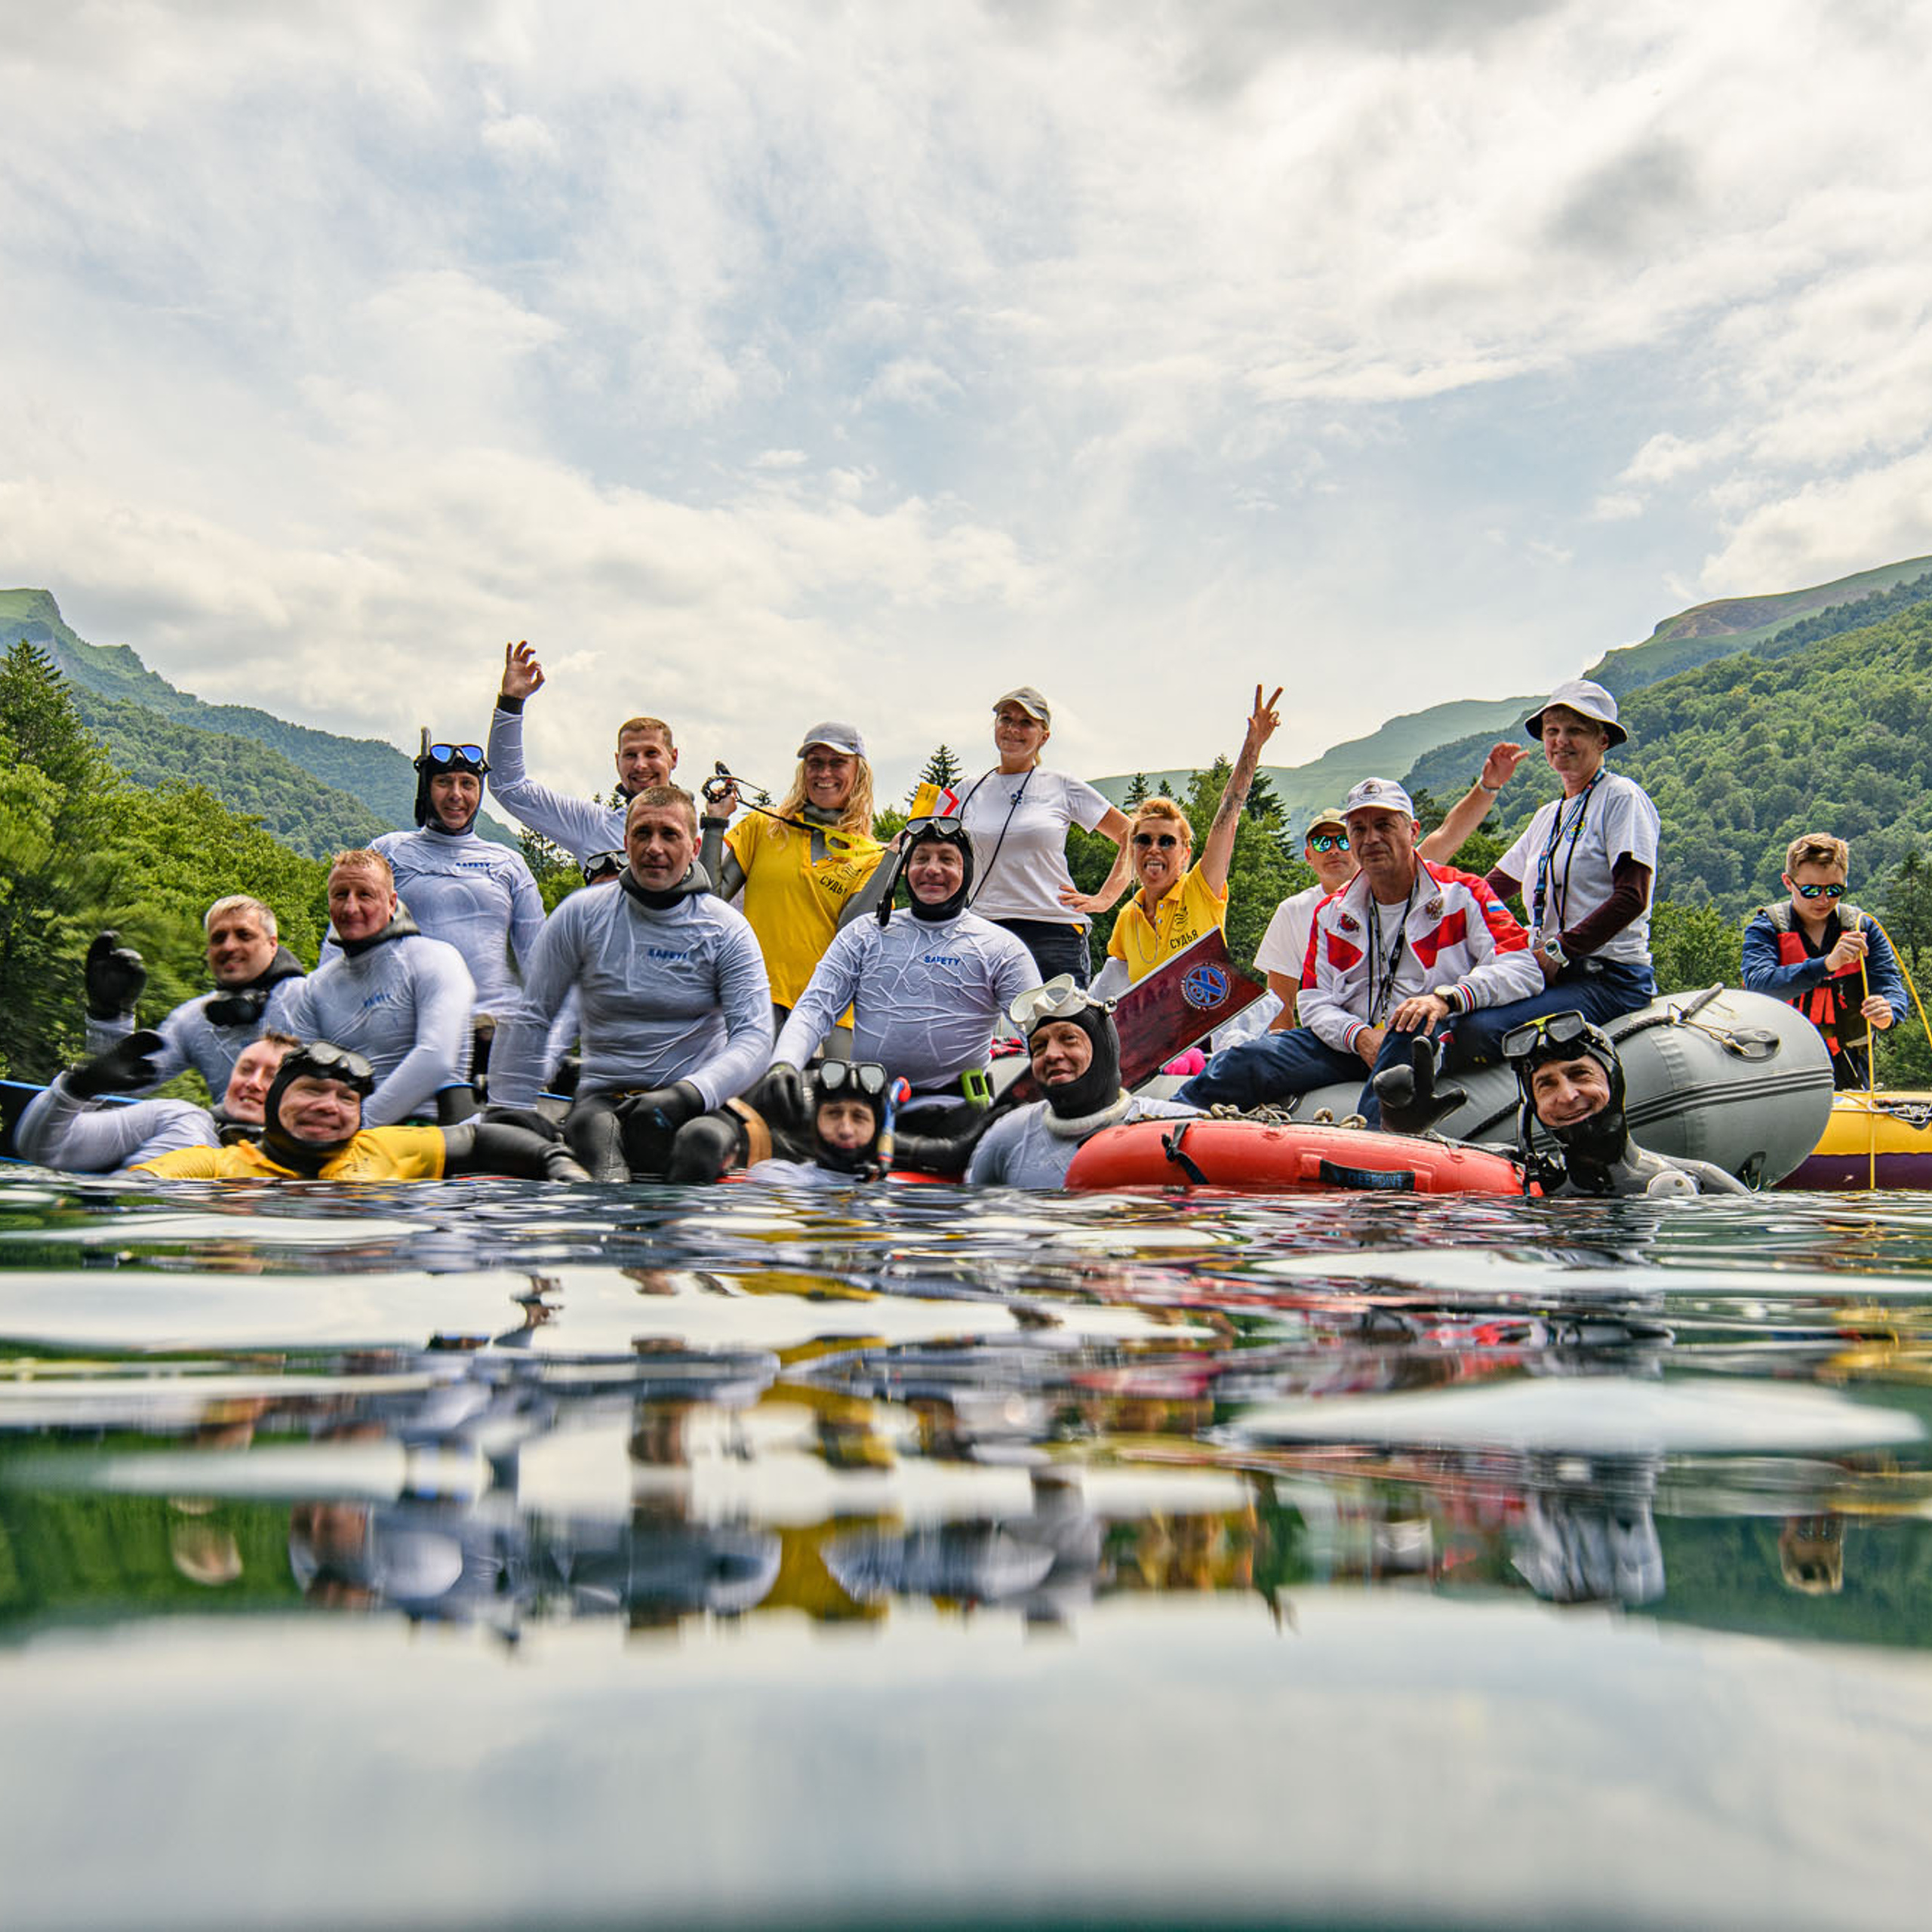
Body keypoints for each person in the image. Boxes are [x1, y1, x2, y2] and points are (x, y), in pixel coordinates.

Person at [1177, 777, 1541, 1126]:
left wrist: (1447, 998)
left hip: (1428, 1038)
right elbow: (1314, 1001)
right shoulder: (1331, 914)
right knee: (1247, 1059)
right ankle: (1160, 1120)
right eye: (1360, 830)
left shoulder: (1464, 893)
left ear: (1413, 832)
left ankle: (1367, 1159)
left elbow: (1523, 968)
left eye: (1384, 825)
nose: (1372, 839)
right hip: (1352, 1043)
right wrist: (1359, 1036)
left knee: (1406, 1028)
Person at [487, 785, 774, 1180]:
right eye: (643, 833)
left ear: (693, 848)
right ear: (626, 841)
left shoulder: (726, 930)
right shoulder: (581, 915)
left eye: (669, 835)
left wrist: (690, 1093)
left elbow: (755, 1038)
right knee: (596, 1136)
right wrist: (509, 1110)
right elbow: (534, 1015)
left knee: (702, 1143)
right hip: (602, 1100)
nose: (654, 847)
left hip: (697, 1102)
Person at [1428, 679, 1660, 1058]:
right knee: (1449, 1012)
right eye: (1552, 731)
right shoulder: (1548, 816)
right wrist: (1433, 917)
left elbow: (1632, 896)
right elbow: (1491, 890)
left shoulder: (1621, 798)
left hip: (1608, 978)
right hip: (1547, 971)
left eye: (1575, 731)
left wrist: (1560, 949)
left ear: (1603, 740)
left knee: (1476, 1031)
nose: (1560, 741)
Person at [766, 817, 1035, 1124]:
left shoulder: (1000, 946)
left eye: (947, 859)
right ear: (905, 868)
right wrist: (784, 1064)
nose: (933, 869)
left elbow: (1039, 1031)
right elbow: (815, 1009)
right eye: (921, 859)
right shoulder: (864, 933)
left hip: (957, 1111)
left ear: (967, 871)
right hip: (865, 1109)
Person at [131, 1041, 589, 1182]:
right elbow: (135, 1187)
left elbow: (477, 1140)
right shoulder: (219, 1165)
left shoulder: (380, 1146)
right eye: (311, 1092)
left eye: (346, 1099)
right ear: (274, 1102)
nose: (329, 1107)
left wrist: (555, 1161)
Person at [1095, 686, 1281, 994]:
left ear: (1185, 854)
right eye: (1144, 840)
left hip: (1211, 1037)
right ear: (1133, 850)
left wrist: (1254, 745)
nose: (1154, 848)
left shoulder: (1200, 891)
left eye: (1167, 841)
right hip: (1159, 1040)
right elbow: (1113, 993)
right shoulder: (1127, 918)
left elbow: (1228, 816)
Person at [272, 851, 478, 1126]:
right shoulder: (315, 988)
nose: (350, 907)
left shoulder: (437, 959)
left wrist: (360, 1124)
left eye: (365, 895)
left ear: (392, 903)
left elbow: (437, 1058)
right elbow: (303, 1076)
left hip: (432, 1132)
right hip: (341, 1132)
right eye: (340, 895)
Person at [697, 722, 886, 1019]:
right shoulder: (764, 827)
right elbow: (709, 902)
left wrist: (894, 859)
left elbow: (852, 936)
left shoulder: (872, 855)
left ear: (859, 772)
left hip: (831, 1009)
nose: (824, 773)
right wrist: (716, 822)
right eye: (815, 763)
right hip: (758, 998)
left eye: (837, 763)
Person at [367, 739, 546, 1042]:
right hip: (408, 1026)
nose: (456, 795)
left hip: (495, 1031)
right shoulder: (388, 852)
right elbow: (344, 935)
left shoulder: (508, 863)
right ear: (426, 788)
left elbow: (540, 961)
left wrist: (546, 1044)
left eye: (468, 784)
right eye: (444, 783)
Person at [952, 686, 1133, 986]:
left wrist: (1105, 898)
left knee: (1059, 1029)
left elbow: (1131, 833)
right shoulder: (967, 789)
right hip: (983, 929)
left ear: (1044, 736)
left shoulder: (1061, 786)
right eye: (1005, 719)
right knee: (980, 1032)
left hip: (1053, 931)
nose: (1013, 729)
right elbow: (921, 844)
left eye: (1026, 723)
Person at [968, 980, 1193, 1188]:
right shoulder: (1008, 1136)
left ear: (1103, 1048)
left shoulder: (1176, 1124)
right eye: (1039, 1046)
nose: (1052, 1055)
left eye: (1069, 1039)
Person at [1501, 1011, 1748, 1195]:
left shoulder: (1704, 1181)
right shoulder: (1518, 1180)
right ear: (1531, 1104)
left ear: (1614, 1080)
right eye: (1547, 1085)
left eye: (1580, 1075)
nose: (1567, 1095)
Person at [81, 897, 307, 1098]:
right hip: (231, 1141)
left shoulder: (308, 998)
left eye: (244, 935)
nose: (229, 946)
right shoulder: (193, 1019)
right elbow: (125, 1083)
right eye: (218, 938)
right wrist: (109, 1017)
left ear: (273, 944)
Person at [485, 639, 679, 860]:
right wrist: (511, 703)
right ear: (617, 761)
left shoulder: (704, 830)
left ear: (673, 758)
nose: (640, 765)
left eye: (651, 753)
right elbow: (509, 787)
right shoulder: (592, 826)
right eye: (630, 755)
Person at [1742, 832, 1904, 1091]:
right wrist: (1827, 964)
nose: (1823, 899)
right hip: (1779, 1062)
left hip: (1849, 1061)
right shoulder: (1766, 928)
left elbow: (1889, 985)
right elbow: (1760, 985)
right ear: (1788, 883)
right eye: (1811, 890)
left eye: (1835, 889)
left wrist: (1889, 1011)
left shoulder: (1863, 927)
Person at [17, 1029, 298, 1174]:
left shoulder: (311, 1163)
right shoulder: (176, 1116)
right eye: (246, 1070)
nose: (253, 1082)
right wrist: (79, 1087)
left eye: (271, 1076)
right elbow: (44, 1152)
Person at [1251, 808, 1355, 1031]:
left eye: (1343, 841)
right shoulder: (1293, 911)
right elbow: (1279, 1002)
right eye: (1322, 843)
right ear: (1308, 856)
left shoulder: (1384, 897)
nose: (1334, 850)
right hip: (1321, 1044)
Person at [745, 1062, 892, 1186]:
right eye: (834, 1114)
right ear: (814, 1119)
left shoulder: (891, 1186)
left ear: (878, 1126)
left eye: (859, 1117)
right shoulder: (776, 1177)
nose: (846, 1130)